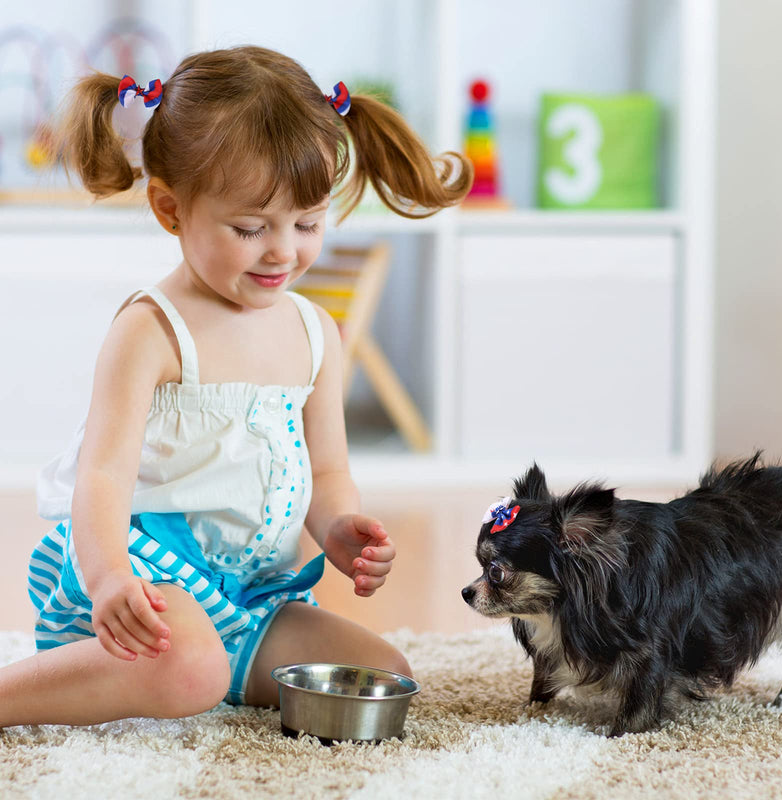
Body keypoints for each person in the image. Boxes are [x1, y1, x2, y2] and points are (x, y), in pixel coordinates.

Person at [0, 46, 471, 726]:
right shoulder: (152, 331)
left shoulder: (315, 333)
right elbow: (100, 477)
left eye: (308, 224)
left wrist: (340, 529)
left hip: (252, 598)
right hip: (143, 592)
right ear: (170, 209)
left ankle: (194, 675)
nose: (283, 251)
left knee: (383, 674)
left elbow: (328, 468)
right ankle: (48, 687)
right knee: (190, 664)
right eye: (250, 228)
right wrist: (109, 582)